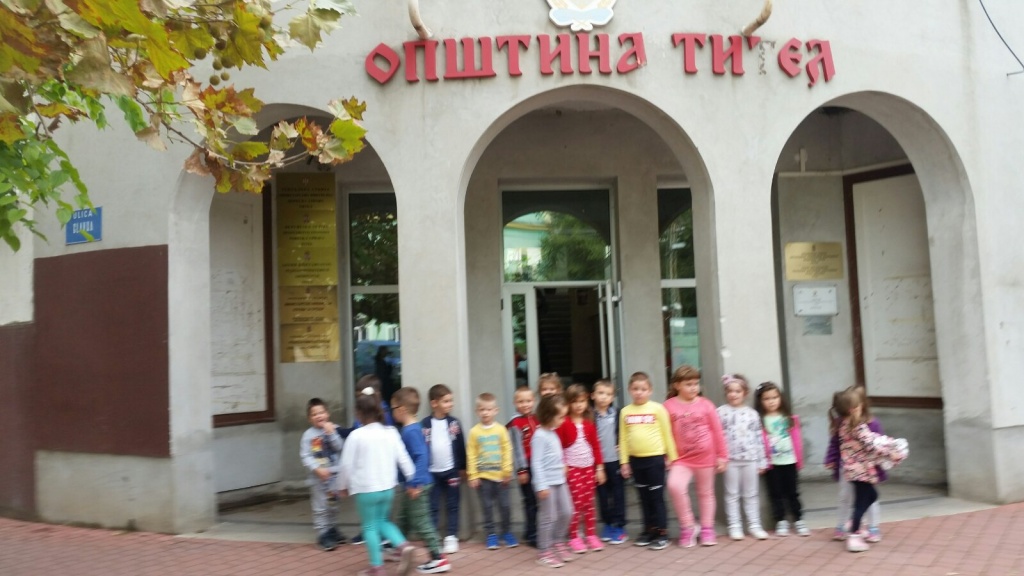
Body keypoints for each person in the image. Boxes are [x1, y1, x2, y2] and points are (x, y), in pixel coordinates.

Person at [336, 388, 418, 576]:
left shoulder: (356, 435)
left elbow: (346, 465)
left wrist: (342, 486)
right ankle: (403, 545)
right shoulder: (391, 432)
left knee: (369, 526)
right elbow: (403, 458)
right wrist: (412, 479)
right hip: (388, 488)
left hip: (366, 489)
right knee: (382, 521)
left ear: (359, 413)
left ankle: (377, 567)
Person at [835, 386, 908, 553]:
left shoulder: (844, 425)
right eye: (859, 405)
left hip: (853, 470)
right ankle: (854, 533)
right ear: (853, 409)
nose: (862, 407)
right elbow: (871, 446)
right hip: (861, 471)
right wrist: (892, 453)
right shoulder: (858, 426)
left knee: (871, 496)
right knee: (862, 502)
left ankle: (853, 523)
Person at [664, 365, 728, 547]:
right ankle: (688, 526)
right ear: (677, 385)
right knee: (675, 486)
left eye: (696, 384)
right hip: (681, 459)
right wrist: (667, 455)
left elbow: (717, 431)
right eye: (688, 384)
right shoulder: (668, 406)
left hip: (706, 457)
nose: (693, 388)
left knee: (705, 493)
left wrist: (722, 456)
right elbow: (665, 433)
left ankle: (707, 529)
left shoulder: (706, 405)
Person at [390, 387, 451, 574]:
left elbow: (422, 456)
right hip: (412, 484)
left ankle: (438, 557)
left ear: (402, 409)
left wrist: (415, 483)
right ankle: (399, 547)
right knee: (404, 517)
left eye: (393, 408)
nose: (391, 412)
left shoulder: (411, 431)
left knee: (422, 522)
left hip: (417, 485)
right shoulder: (411, 429)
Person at [619, 371, 678, 550]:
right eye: (635, 389)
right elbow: (623, 439)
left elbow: (667, 434)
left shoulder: (658, 409)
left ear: (650, 390)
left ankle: (662, 532)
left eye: (643, 389)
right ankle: (649, 530)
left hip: (655, 460)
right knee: (643, 498)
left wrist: (672, 457)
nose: (639, 392)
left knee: (656, 497)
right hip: (636, 462)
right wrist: (624, 462)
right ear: (629, 390)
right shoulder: (625, 412)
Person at [825, 386, 885, 543]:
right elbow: (874, 444)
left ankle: (869, 526)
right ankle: (851, 526)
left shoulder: (866, 423)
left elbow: (876, 442)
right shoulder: (853, 426)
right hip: (856, 470)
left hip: (862, 468)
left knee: (867, 498)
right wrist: (893, 451)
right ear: (853, 408)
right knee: (853, 498)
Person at [716, 374, 770, 541]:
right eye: (730, 391)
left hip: (750, 459)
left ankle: (754, 525)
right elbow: (716, 437)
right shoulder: (720, 412)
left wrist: (762, 461)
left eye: (737, 391)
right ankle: (735, 526)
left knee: (751, 494)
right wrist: (719, 457)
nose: (733, 394)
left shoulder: (752, 414)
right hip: (730, 460)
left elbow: (759, 438)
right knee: (732, 494)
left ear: (745, 393)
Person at [755, 381, 808, 537]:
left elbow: (797, 441)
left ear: (780, 398)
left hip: (790, 462)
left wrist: (799, 460)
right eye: (767, 398)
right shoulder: (760, 420)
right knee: (776, 493)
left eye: (774, 397)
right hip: (772, 464)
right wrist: (762, 462)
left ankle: (798, 519)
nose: (771, 401)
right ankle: (781, 520)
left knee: (793, 492)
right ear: (760, 401)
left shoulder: (790, 418)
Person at [557, 384, 606, 553]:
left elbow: (596, 446)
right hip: (573, 469)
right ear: (568, 403)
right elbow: (558, 446)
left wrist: (599, 468)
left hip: (588, 468)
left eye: (582, 401)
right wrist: (563, 464)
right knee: (576, 502)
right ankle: (574, 536)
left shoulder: (589, 424)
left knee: (589, 503)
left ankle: (590, 534)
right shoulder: (564, 423)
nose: (579, 405)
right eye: (575, 401)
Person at [466, 392, 516, 550]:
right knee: (487, 508)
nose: (485, 413)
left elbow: (507, 450)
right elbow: (471, 454)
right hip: (483, 478)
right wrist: (473, 475)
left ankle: (506, 532)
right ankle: (491, 534)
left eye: (488, 409)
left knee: (505, 506)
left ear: (496, 410)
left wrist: (507, 471)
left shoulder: (501, 430)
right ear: (477, 411)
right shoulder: (474, 432)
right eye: (482, 409)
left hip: (501, 477)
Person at [421, 384, 466, 555]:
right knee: (432, 506)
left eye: (451, 401)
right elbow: (421, 447)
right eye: (446, 401)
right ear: (434, 403)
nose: (450, 404)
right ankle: (432, 537)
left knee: (453, 504)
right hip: (432, 473)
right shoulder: (425, 424)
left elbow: (460, 445)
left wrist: (463, 467)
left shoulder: (454, 423)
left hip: (452, 471)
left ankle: (451, 537)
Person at [532, 394, 574, 568]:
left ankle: (557, 541)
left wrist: (562, 465)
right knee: (548, 517)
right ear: (548, 415)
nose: (563, 420)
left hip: (559, 480)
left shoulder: (552, 433)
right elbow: (536, 462)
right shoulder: (540, 435)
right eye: (560, 416)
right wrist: (541, 485)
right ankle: (544, 551)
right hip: (547, 483)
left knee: (567, 512)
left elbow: (554, 455)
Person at [299, 397, 346, 550]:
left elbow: (340, 447)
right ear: (309, 418)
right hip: (318, 478)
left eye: (321, 412)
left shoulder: (334, 428)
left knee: (333, 505)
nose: (319, 416)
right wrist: (316, 468)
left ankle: (332, 529)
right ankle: (322, 533)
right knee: (320, 507)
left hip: (334, 476)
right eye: (314, 414)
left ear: (328, 413)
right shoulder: (308, 435)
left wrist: (331, 433)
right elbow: (305, 455)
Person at [592, 379, 628, 545]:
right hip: (598, 464)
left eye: (608, 394)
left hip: (615, 461)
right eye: (600, 393)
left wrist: (622, 445)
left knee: (618, 494)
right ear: (593, 395)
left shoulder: (618, 414)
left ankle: (619, 526)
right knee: (603, 495)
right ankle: (607, 524)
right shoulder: (589, 416)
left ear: (612, 397)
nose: (603, 397)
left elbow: (625, 433)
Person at [507, 386, 539, 547]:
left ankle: (530, 530)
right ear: (515, 403)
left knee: (537, 500)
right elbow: (517, 449)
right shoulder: (515, 423)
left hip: (539, 465)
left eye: (528, 401)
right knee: (530, 501)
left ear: (533, 401)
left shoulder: (537, 419)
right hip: (526, 467)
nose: (525, 404)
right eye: (521, 401)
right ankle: (532, 535)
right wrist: (521, 470)